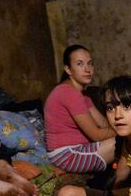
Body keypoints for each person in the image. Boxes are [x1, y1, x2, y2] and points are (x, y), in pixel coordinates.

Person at [44, 45, 116, 173]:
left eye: (90, 63)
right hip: (66, 155)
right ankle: (119, 182)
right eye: (79, 64)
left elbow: (103, 123)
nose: (87, 69)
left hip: (77, 149)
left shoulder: (82, 94)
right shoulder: (68, 93)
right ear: (68, 69)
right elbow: (96, 135)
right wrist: (128, 128)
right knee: (129, 140)